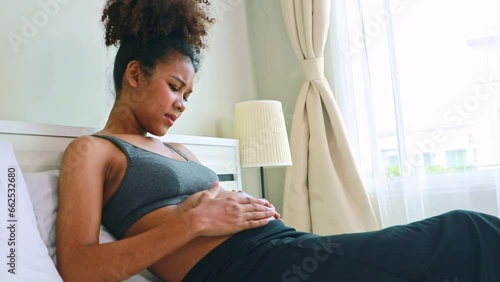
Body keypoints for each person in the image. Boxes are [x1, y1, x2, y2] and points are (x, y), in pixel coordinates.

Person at [55, 0, 500, 281]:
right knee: (467, 233)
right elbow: (76, 268)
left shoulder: (179, 150)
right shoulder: (92, 151)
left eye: (188, 95)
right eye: (175, 87)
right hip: (246, 268)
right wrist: (193, 221)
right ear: (135, 74)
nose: (182, 104)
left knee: (458, 245)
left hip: (285, 248)